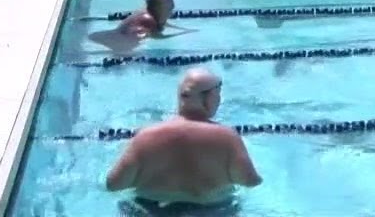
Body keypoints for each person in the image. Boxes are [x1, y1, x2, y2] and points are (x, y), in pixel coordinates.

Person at [107, 68, 262, 214]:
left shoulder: (145, 137)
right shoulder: (227, 138)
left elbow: (114, 184)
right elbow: (250, 181)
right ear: (208, 97)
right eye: (218, 94)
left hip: (150, 210)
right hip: (212, 211)